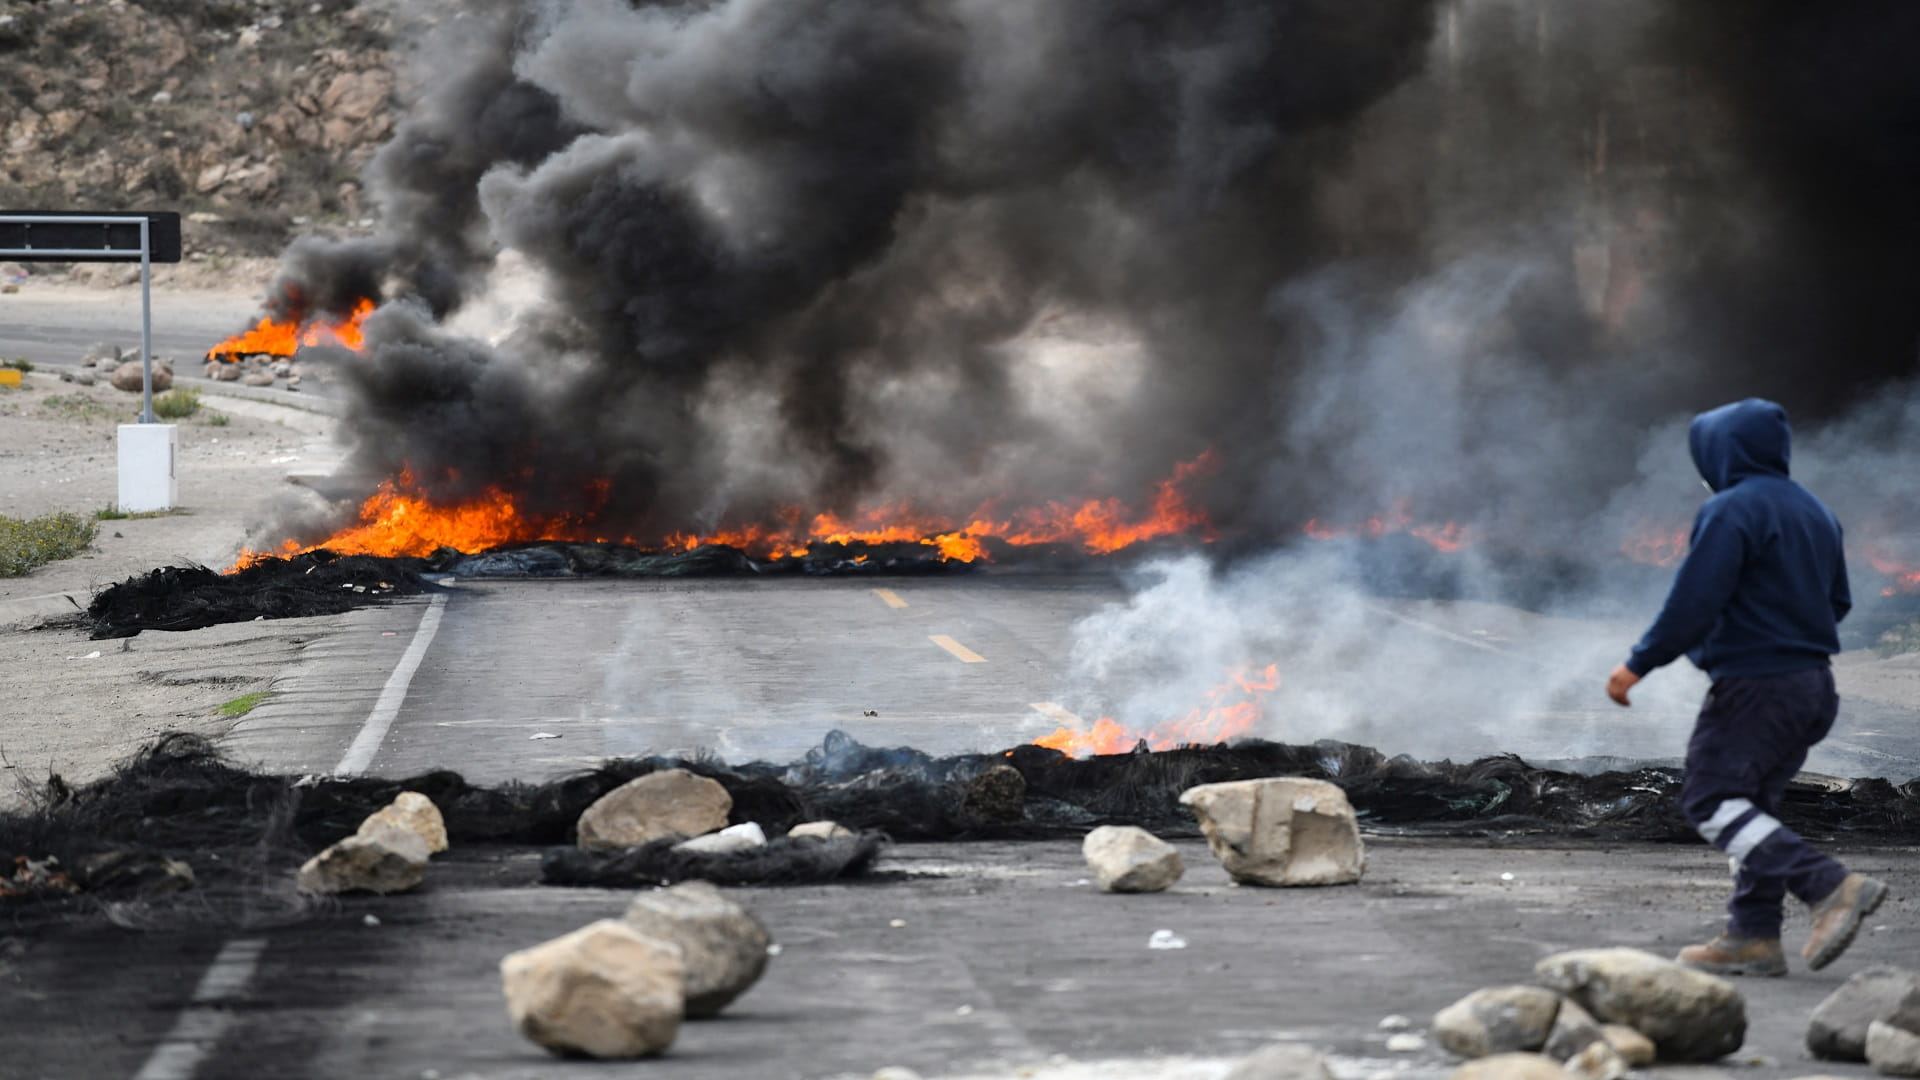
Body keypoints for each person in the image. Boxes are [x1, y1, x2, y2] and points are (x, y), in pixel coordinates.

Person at [1606, 398, 1885, 977]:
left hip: (1757, 686)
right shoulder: (1816, 514)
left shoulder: (1732, 509)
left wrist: (1637, 665)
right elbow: (1837, 602)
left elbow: (1694, 601)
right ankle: (1753, 935)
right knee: (1753, 808)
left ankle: (1828, 886)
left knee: (1709, 799)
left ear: (1720, 452)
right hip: (1813, 685)